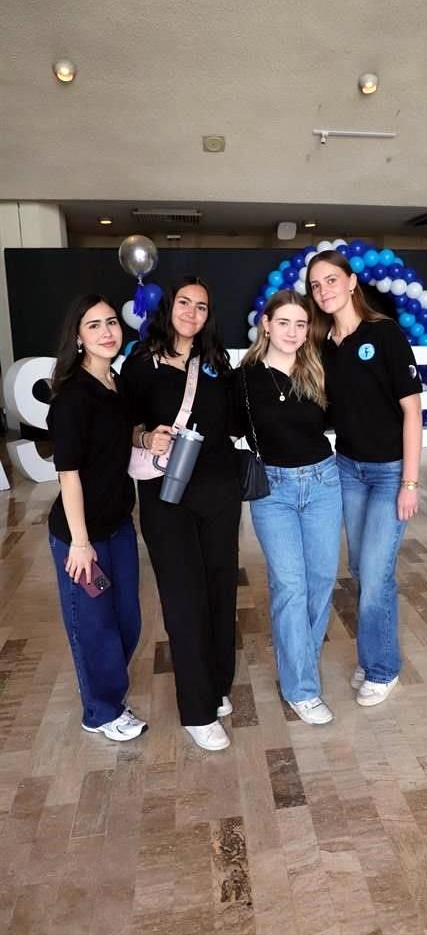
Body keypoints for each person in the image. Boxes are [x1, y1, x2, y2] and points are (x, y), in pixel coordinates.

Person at [121, 276, 241, 752]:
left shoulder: (215, 361)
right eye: (184, 303)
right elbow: (123, 425)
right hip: (165, 496)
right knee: (184, 598)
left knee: (219, 590)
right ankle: (196, 710)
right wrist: (146, 438)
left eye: (202, 306)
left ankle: (216, 684)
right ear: (169, 307)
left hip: (218, 491)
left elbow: (234, 420)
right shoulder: (139, 364)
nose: (192, 312)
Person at [306, 250, 422, 707]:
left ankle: (382, 667)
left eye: (331, 280)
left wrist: (410, 483)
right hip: (348, 470)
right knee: (359, 569)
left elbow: (412, 412)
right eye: (316, 285)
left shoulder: (384, 333)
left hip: (390, 472)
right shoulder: (323, 346)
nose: (324, 291)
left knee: (375, 573)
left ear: (352, 282)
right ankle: (376, 654)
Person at [235, 290, 342, 725]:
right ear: (266, 323)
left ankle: (299, 660)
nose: (293, 333)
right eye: (284, 323)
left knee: (320, 583)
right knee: (290, 587)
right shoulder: (243, 378)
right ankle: (300, 687)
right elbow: (222, 430)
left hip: (322, 483)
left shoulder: (318, 369)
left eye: (301, 325)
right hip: (272, 491)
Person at [47, 293, 146, 741]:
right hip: (80, 534)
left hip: (119, 524)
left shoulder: (116, 383)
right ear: (78, 337)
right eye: (94, 325)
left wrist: (146, 436)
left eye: (111, 322)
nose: (107, 331)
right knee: (94, 626)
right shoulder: (71, 398)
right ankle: (101, 712)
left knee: (128, 620)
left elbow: (121, 434)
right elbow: (69, 476)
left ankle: (109, 692)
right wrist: (81, 543)